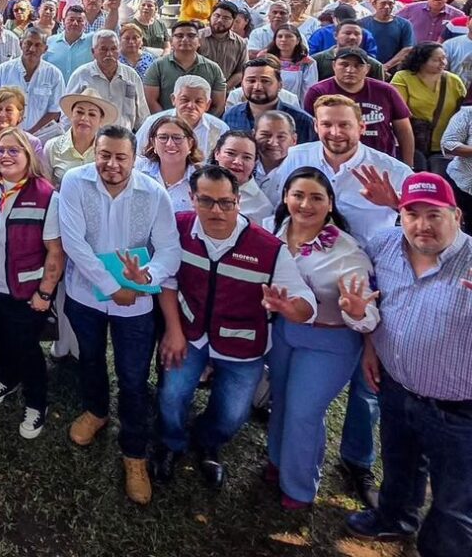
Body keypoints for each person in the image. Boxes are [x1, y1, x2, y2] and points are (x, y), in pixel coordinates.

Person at [152, 165, 316, 490]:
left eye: (226, 202)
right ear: (191, 198)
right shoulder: (178, 229)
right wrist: (172, 329)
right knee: (171, 395)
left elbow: (305, 303)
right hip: (190, 335)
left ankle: (207, 441)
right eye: (206, 201)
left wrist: (288, 308)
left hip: (243, 347)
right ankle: (171, 443)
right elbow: (167, 279)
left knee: (232, 415)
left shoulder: (268, 249)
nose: (216, 211)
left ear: (239, 201)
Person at [345, 173, 472, 556]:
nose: (422, 225)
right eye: (412, 213)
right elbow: (376, 305)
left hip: (459, 410)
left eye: (434, 215)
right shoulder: (384, 245)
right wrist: (369, 345)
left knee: (455, 505)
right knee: (399, 464)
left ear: (457, 216)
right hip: (396, 386)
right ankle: (394, 519)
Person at [58, 124, 181, 503]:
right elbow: (74, 243)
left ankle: (134, 454)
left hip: (137, 304)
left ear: (135, 158)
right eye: (104, 155)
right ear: (94, 153)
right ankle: (95, 411)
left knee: (132, 377)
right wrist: (114, 288)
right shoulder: (75, 183)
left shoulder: (153, 193)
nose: (111, 164)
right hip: (86, 296)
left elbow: (169, 251)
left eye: (120, 157)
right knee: (91, 359)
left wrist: (144, 278)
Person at [266, 167, 378, 509]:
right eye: (298, 195)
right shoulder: (274, 231)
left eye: (316, 197)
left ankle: (299, 487)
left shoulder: (348, 252)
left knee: (304, 411)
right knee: (281, 400)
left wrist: (356, 309)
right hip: (285, 332)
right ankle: (277, 461)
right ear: (285, 197)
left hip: (331, 342)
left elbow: (368, 315)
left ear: (330, 204)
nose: (305, 204)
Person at [0, 127, 63, 440]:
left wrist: (45, 293)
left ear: (28, 155)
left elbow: (55, 251)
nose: (5, 156)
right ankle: (7, 378)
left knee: (25, 344)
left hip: (24, 290)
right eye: (0, 150)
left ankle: (37, 402)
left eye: (13, 150)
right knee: (5, 337)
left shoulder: (45, 194)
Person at [304, 48, 415, 167]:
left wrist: (408, 165)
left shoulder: (386, 91)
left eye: (358, 66)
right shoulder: (318, 92)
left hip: (381, 162)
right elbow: (309, 131)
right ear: (334, 65)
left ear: (367, 69)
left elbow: (404, 131)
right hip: (332, 163)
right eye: (344, 64)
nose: (350, 70)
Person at [390, 42, 466, 172]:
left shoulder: (454, 81)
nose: (442, 62)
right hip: (413, 142)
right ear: (421, 61)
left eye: (444, 58)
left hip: (444, 145)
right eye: (436, 60)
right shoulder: (403, 77)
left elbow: (463, 113)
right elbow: (398, 111)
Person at [0, 27, 64, 137]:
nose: (32, 49)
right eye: (28, 43)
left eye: (37, 45)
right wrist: (9, 129)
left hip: (41, 137)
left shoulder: (54, 75)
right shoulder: (3, 70)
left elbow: (54, 112)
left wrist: (29, 135)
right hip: (6, 134)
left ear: (45, 49)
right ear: (21, 44)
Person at [65, 30, 149, 131]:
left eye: (113, 49)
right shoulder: (81, 75)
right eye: (103, 49)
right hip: (91, 141)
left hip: (123, 139)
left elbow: (142, 114)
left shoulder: (131, 76)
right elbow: (67, 115)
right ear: (93, 52)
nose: (109, 54)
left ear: (119, 51)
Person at [222, 57, 316, 143]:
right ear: (242, 84)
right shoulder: (231, 115)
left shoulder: (302, 120)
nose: (257, 87)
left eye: (265, 81)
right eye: (251, 81)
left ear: (280, 85)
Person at [143, 21, 227, 115]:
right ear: (171, 41)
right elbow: (150, 101)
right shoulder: (157, 66)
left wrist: (200, 123)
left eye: (191, 36)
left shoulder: (213, 69)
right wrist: (169, 123)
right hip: (165, 125)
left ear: (199, 41)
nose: (185, 39)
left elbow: (218, 105)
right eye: (179, 36)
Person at [137, 116, 202, 213]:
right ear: (153, 143)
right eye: (163, 137)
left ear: (190, 143)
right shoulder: (137, 172)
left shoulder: (202, 178)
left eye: (177, 138)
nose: (170, 144)